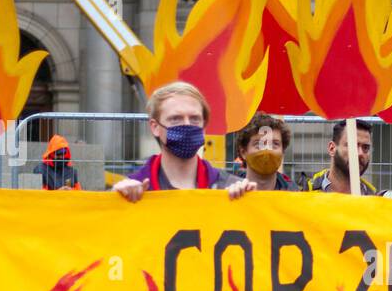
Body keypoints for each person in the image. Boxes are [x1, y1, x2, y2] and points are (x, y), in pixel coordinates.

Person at [113, 81, 253, 202]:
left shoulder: (228, 187)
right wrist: (114, 202)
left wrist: (246, 200)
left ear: (204, 126)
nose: (187, 125)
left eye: (194, 119)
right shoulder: (133, 189)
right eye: (176, 119)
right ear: (155, 127)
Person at [306, 119, 380, 194]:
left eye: (365, 147)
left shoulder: (374, 199)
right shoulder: (305, 193)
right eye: (352, 145)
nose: (360, 153)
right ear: (332, 149)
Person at [234, 112, 297, 191]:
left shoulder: (295, 196)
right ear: (243, 152)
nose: (267, 151)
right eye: (259, 144)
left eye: (275, 144)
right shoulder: (226, 191)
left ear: (282, 152)